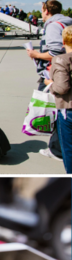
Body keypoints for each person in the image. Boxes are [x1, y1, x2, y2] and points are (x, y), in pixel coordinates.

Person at [27, 0, 72, 90]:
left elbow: (56, 53)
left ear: (47, 11)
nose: (42, 14)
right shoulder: (65, 23)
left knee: (40, 103)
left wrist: (37, 55)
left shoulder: (53, 26)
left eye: (42, 11)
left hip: (52, 74)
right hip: (64, 70)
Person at [49, 26, 72, 172]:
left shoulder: (61, 60)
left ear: (63, 41)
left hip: (68, 110)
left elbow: (62, 88)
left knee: (69, 150)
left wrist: (50, 85)